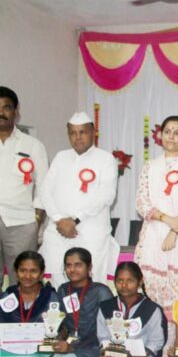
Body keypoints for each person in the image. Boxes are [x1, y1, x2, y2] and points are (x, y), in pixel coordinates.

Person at [134, 115, 178, 341]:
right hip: (153, 237)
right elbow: (142, 202)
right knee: (152, 290)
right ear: (160, 135)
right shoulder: (150, 166)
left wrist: (174, 232)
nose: (171, 137)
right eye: (167, 132)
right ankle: (156, 343)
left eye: (177, 133)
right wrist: (166, 220)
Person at [40, 112, 119, 286]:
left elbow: (106, 195)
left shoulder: (105, 159)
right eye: (73, 133)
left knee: (93, 283)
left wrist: (75, 220)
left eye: (82, 132)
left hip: (91, 232)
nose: (77, 137)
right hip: (58, 232)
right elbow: (45, 191)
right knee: (59, 282)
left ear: (93, 132)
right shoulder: (61, 157)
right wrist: (59, 219)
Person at [78, 262, 167, 357]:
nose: (124, 285)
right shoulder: (106, 306)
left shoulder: (152, 309)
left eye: (130, 280)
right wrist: (106, 352)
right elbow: (103, 336)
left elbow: (157, 342)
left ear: (140, 281)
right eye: (120, 280)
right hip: (113, 356)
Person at [42, 247, 113, 357]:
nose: (72, 269)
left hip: (93, 348)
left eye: (78, 265)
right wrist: (58, 339)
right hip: (69, 347)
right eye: (68, 265)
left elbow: (109, 331)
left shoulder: (101, 291)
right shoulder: (62, 290)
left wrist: (73, 348)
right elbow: (62, 326)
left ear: (89, 267)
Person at [0, 251, 60, 357]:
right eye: (23, 270)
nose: (27, 276)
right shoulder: (7, 296)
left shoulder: (51, 297)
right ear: (16, 272)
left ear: (41, 273)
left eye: (33, 271)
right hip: (8, 353)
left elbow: (59, 329)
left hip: (37, 353)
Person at [0, 86, 49, 287]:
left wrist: (36, 221)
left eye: (6, 107)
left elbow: (44, 185)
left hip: (21, 223)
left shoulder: (32, 145)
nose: (1, 112)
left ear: (16, 111)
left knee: (23, 282)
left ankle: (20, 310)